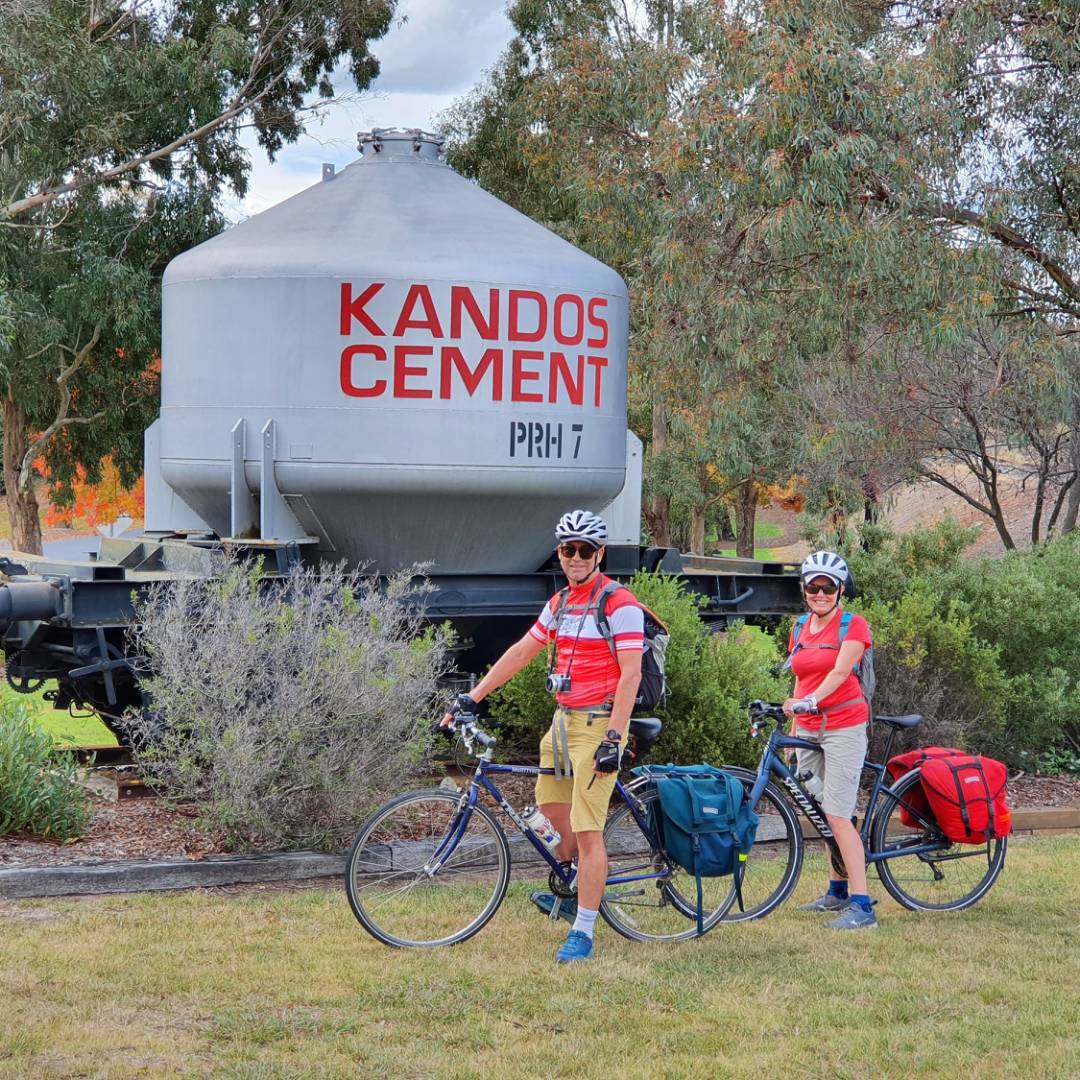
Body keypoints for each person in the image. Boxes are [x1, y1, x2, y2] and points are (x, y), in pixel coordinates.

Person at [436, 509, 644, 963]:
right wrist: (473, 696)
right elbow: (522, 651)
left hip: (600, 724)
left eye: (584, 550)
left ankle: (583, 931)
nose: (574, 557)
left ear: (599, 554)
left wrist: (614, 737)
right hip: (562, 723)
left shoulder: (619, 604)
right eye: (567, 549)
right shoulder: (561, 604)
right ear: (559, 553)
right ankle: (572, 889)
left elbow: (631, 675)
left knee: (588, 833)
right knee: (550, 819)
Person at [782, 550, 876, 930]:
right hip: (807, 728)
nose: (819, 593)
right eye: (812, 586)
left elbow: (839, 673)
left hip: (844, 726)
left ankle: (863, 906)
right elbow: (799, 677)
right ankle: (836, 890)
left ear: (840, 590)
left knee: (837, 813)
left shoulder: (853, 626)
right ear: (804, 589)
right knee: (819, 811)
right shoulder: (800, 627)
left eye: (828, 587)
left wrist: (808, 703)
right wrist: (793, 731)